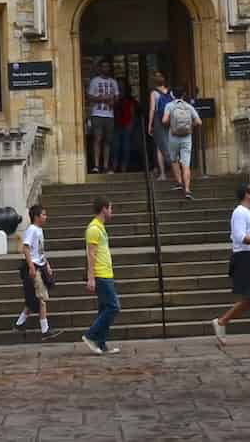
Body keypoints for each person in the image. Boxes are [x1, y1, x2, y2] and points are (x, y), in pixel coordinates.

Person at [211, 182, 250, 344]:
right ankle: (222, 321)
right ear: (246, 194)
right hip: (244, 257)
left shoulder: (247, 212)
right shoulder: (240, 212)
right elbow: (239, 236)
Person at [80, 196, 120, 355]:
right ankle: (90, 335)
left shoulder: (100, 227)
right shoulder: (94, 229)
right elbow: (91, 254)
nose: (111, 211)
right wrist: (91, 278)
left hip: (106, 273)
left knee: (104, 308)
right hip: (100, 274)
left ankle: (101, 344)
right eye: (110, 208)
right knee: (113, 306)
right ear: (104, 209)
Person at [12, 203, 54, 341]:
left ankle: (20, 323)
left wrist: (46, 264)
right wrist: (31, 267)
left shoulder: (39, 230)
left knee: (34, 299)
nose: (45, 217)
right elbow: (26, 248)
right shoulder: (32, 230)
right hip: (34, 267)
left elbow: (40, 250)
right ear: (36, 217)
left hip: (39, 265)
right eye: (43, 214)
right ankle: (45, 330)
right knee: (41, 299)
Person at [162, 86, 202, 198]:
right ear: (183, 95)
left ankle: (179, 182)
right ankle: (188, 190)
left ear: (172, 95)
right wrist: (190, 126)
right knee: (186, 164)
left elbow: (164, 120)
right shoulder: (188, 106)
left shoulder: (169, 106)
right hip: (187, 138)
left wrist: (171, 124)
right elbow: (199, 122)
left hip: (173, 137)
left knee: (174, 160)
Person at [85, 61, 119, 175]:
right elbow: (89, 96)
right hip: (97, 114)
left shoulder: (113, 82)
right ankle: (96, 165)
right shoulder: (95, 81)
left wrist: (113, 101)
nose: (106, 68)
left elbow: (117, 97)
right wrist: (103, 99)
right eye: (103, 66)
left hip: (109, 115)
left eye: (107, 66)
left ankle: (105, 166)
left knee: (108, 141)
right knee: (97, 139)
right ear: (99, 68)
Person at [146, 71, 172, 183]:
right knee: (171, 143)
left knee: (159, 147)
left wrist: (149, 124)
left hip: (158, 120)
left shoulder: (154, 93)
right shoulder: (170, 92)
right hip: (170, 119)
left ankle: (162, 174)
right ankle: (175, 170)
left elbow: (152, 109)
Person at [113, 84, 138, 173]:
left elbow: (133, 113)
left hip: (126, 126)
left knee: (125, 147)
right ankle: (114, 166)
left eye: (122, 89)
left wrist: (131, 124)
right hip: (116, 126)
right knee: (115, 147)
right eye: (119, 89)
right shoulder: (115, 100)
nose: (121, 91)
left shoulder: (130, 101)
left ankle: (124, 166)